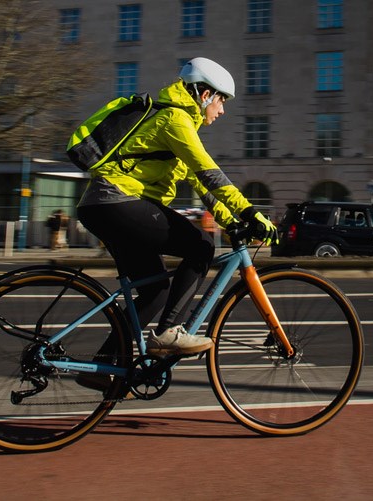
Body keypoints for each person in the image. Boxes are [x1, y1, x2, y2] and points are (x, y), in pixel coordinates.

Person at [76, 57, 276, 366]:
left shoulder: (177, 122)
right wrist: (249, 212)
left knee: (155, 290)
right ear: (204, 94)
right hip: (117, 202)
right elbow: (210, 173)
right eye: (221, 99)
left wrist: (230, 221)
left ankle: (104, 367)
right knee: (200, 246)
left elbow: (200, 184)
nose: (222, 109)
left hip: (104, 206)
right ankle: (170, 331)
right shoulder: (175, 120)